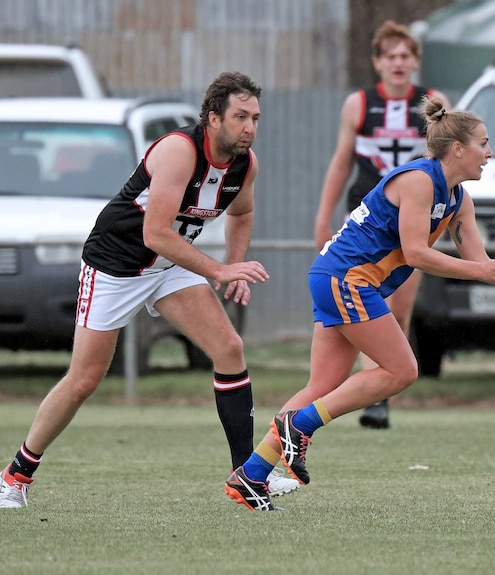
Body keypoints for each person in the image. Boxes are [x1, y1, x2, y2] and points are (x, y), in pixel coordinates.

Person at [225, 95, 495, 510]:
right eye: (484, 143)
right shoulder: (420, 181)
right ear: (458, 149)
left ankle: (251, 475)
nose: (490, 153)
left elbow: (483, 264)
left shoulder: (459, 199)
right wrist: (481, 271)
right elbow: (418, 253)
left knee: (322, 386)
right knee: (402, 370)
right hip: (346, 279)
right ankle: (300, 425)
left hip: (337, 278)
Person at [0, 71, 298, 509]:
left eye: (255, 117)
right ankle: (14, 478)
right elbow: (156, 232)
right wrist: (218, 270)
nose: (250, 127)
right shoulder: (179, 151)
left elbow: (241, 213)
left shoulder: (245, 165)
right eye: (240, 117)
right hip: (115, 266)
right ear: (213, 118)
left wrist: (232, 265)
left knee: (229, 348)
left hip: (167, 266)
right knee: (84, 379)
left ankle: (249, 476)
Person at [314, 20, 452, 430]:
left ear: (416, 62)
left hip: (415, 218)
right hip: (365, 218)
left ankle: (384, 389)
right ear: (377, 62)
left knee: (400, 305)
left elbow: (446, 158)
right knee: (367, 300)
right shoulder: (359, 103)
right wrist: (322, 218)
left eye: (405, 55)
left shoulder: (431, 102)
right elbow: (341, 162)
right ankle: (371, 397)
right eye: (390, 56)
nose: (398, 62)